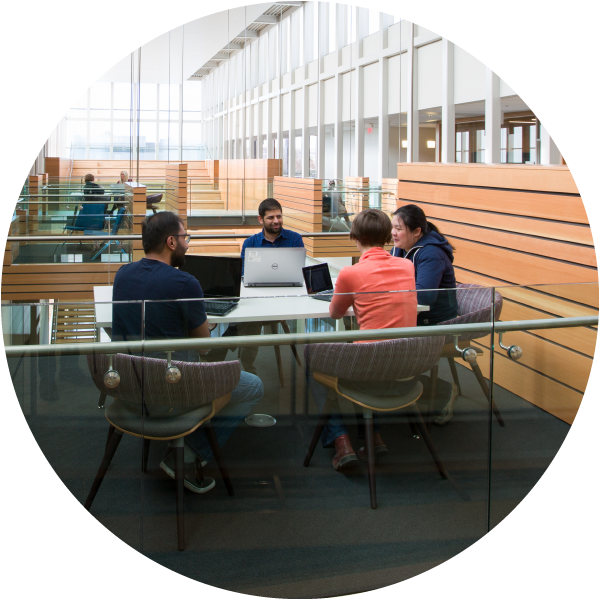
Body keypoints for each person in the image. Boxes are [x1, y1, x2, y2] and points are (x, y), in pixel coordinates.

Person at [112, 211, 264, 494]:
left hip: (129, 385)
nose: (188, 244)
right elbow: (205, 347)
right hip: (171, 387)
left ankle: (182, 439)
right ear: (171, 242)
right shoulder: (185, 283)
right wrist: (204, 323)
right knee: (253, 386)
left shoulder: (122, 275)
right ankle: (188, 453)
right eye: (185, 237)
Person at [307, 209, 418, 471]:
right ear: (388, 236)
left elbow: (335, 313)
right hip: (408, 366)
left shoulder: (350, 273)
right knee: (372, 353)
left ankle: (340, 439)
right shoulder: (407, 265)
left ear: (353, 236)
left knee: (314, 358)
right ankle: (373, 435)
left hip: (370, 369)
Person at [209, 198, 304, 374]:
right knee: (252, 315)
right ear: (261, 219)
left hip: (286, 298)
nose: (276, 221)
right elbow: (244, 275)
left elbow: (300, 272)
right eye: (271, 218)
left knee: (249, 318)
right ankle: (247, 364)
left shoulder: (294, 240)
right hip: (258, 296)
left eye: (279, 216)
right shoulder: (250, 243)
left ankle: (222, 353)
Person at [391, 204, 459, 425]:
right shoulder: (403, 247)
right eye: (392, 227)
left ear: (417, 231)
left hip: (436, 320)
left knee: (384, 348)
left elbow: (425, 297)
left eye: (398, 228)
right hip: (414, 315)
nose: (393, 233)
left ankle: (443, 391)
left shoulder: (431, 253)